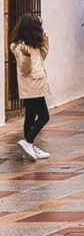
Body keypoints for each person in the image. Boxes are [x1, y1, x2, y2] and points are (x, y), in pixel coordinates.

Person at [10, 13, 51, 161]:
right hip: (32, 87)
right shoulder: (20, 47)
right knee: (44, 116)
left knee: (30, 117)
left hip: (36, 85)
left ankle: (29, 148)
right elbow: (24, 69)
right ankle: (27, 142)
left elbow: (42, 58)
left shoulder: (33, 45)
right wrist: (26, 57)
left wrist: (45, 42)